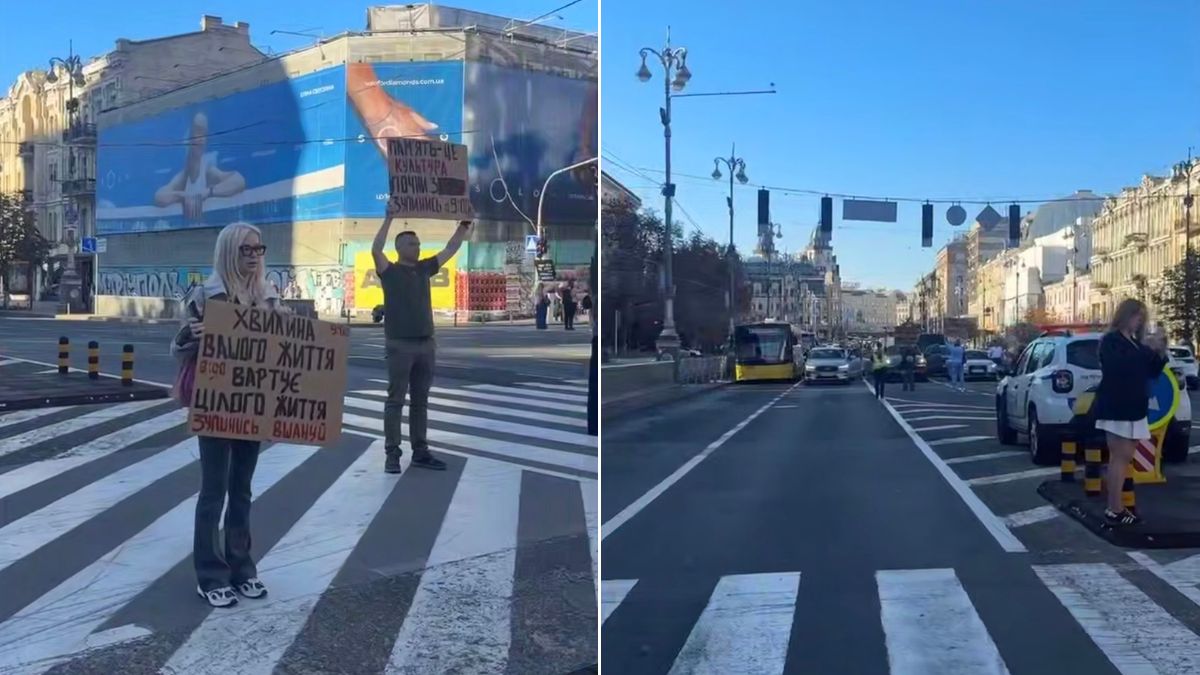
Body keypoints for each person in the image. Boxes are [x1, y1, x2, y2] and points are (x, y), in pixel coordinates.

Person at [171, 222, 284, 608]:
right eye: (245, 250)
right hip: (216, 403)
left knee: (243, 489)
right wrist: (193, 335)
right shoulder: (204, 294)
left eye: (258, 249)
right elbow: (178, 346)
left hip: (253, 404)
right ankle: (209, 574)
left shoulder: (269, 295)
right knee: (213, 490)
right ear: (228, 252)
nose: (253, 256)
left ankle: (242, 568)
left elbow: (284, 349)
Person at [372, 196, 471, 474]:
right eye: (411, 243)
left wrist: (464, 224)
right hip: (399, 345)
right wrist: (389, 218)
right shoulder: (388, 271)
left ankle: (420, 451)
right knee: (395, 400)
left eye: (417, 243)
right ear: (399, 247)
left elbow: (451, 248)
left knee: (420, 401)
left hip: (426, 344)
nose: (416, 247)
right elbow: (375, 249)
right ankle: (392, 454)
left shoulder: (424, 268)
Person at [1094, 298, 1168, 525]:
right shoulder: (1111, 340)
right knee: (1119, 457)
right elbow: (1118, 366)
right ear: (1125, 315)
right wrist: (1147, 348)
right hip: (1117, 405)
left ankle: (1116, 506)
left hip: (1135, 406)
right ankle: (1114, 507)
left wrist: (1161, 350)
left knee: (1124, 458)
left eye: (1141, 318)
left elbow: (1151, 371)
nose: (1138, 321)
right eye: (1136, 316)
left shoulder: (1136, 343)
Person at [154, 112, 246, 224]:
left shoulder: (207, 170)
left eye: (204, 134)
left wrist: (208, 192)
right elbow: (159, 197)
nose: (200, 138)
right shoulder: (184, 175)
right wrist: (183, 195)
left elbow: (239, 180)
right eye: (197, 132)